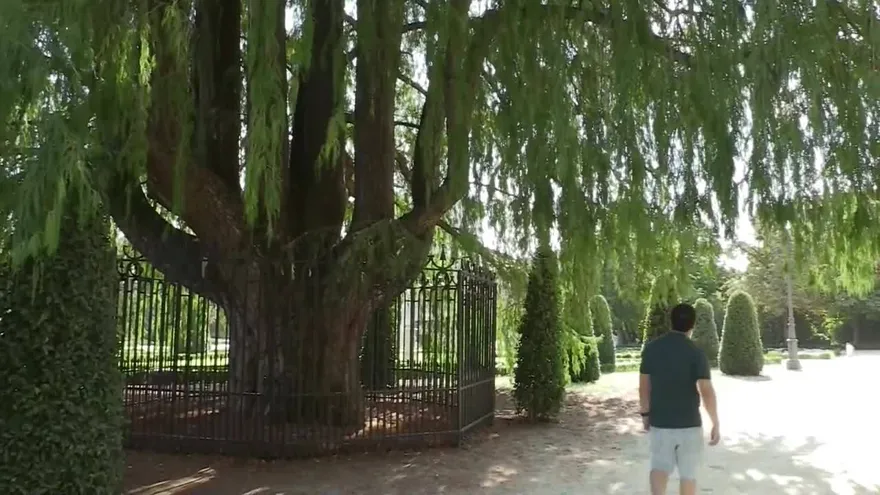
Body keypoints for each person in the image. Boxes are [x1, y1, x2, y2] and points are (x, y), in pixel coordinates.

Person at [639, 302, 720, 495]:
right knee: (688, 474)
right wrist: (715, 421)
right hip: (689, 423)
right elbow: (706, 390)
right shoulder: (696, 353)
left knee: (659, 468)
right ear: (693, 325)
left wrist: (645, 414)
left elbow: (644, 387)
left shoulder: (651, 349)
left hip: (661, 421)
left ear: (671, 322)